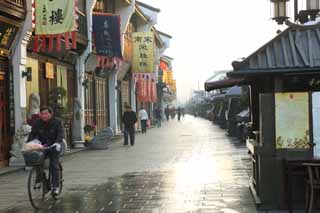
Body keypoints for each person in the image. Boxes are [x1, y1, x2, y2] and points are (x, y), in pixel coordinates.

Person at [27, 106, 64, 196]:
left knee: (53, 164)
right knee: (37, 162)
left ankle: (55, 186)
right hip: (42, 146)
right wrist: (29, 144)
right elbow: (33, 134)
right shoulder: (37, 123)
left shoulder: (57, 122)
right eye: (42, 114)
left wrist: (58, 142)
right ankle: (40, 179)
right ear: (40, 114)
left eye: (46, 113)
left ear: (51, 114)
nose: (44, 116)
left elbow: (60, 133)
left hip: (54, 146)